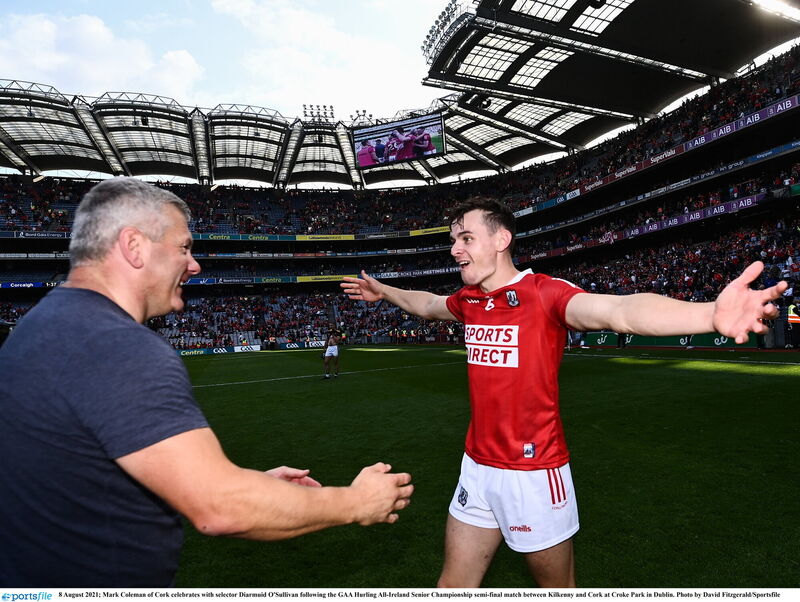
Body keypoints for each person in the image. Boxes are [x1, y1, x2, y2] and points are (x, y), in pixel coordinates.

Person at [341, 198, 785, 588]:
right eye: (454, 240)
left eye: (467, 238)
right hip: (476, 466)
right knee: (453, 585)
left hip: (534, 473)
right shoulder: (470, 299)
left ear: (501, 240)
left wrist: (709, 314)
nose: (456, 249)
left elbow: (620, 310)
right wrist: (384, 291)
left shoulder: (543, 294)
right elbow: (426, 304)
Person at [0, 177, 413, 587]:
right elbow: (222, 508)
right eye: (184, 248)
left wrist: (235, 483)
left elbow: (80, 486)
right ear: (134, 246)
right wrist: (356, 502)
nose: (195, 264)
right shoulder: (116, 345)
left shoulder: (41, 326)